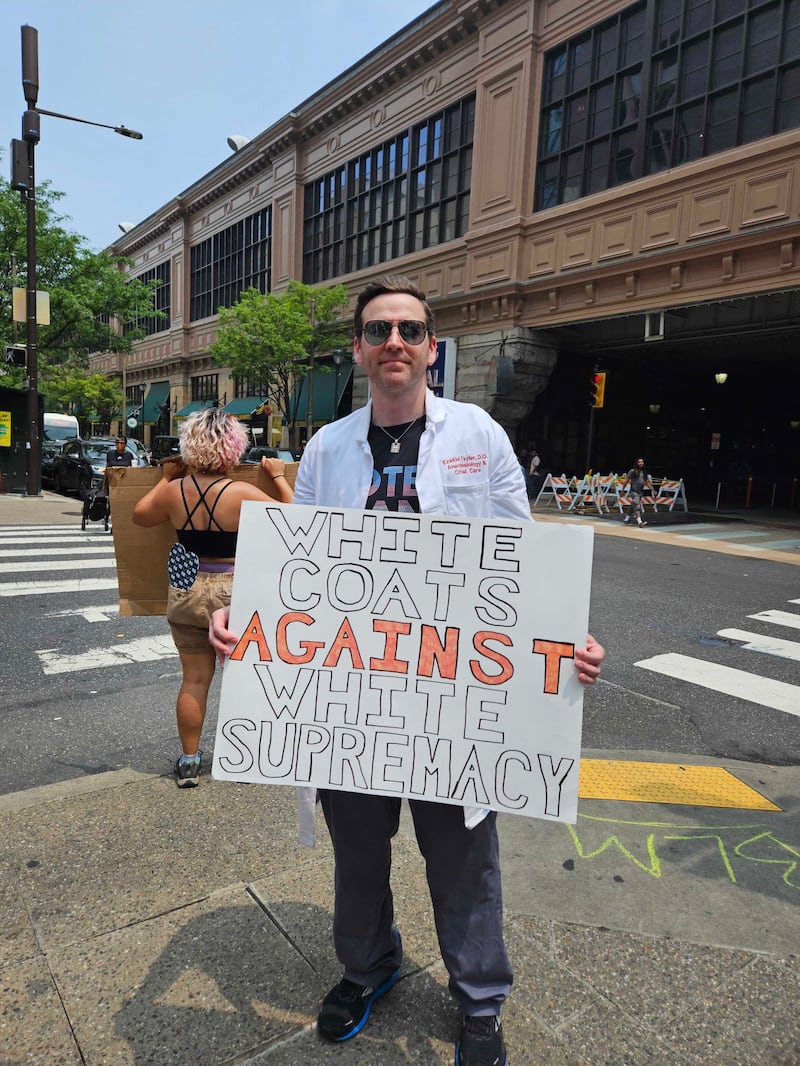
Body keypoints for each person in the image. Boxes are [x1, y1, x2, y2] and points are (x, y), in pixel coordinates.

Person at [209, 275, 604, 1065]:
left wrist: (568, 641)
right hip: (350, 698)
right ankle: (368, 966)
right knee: (358, 853)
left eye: (412, 330)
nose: (396, 341)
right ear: (359, 348)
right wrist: (246, 618)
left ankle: (480, 1003)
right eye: (380, 329)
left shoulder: (480, 435)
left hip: (457, 701)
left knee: (464, 859)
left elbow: (522, 563)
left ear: (431, 347)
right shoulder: (326, 448)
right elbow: (304, 567)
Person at [133, 407, 293, 788]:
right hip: (234, 590)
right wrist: (279, 477)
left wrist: (166, 477)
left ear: (190, 446)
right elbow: (293, 520)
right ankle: (246, 761)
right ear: (234, 448)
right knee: (243, 678)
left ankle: (189, 762)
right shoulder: (241, 492)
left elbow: (140, 515)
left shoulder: (174, 492)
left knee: (194, 680)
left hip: (186, 590)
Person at [621, 456, 655, 527]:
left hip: (640, 492)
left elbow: (647, 483)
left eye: (642, 462)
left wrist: (653, 490)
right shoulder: (632, 471)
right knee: (637, 505)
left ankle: (626, 518)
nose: (640, 463)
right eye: (639, 462)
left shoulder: (644, 473)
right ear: (636, 463)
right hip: (634, 491)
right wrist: (622, 490)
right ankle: (639, 521)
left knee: (633, 505)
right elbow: (626, 481)